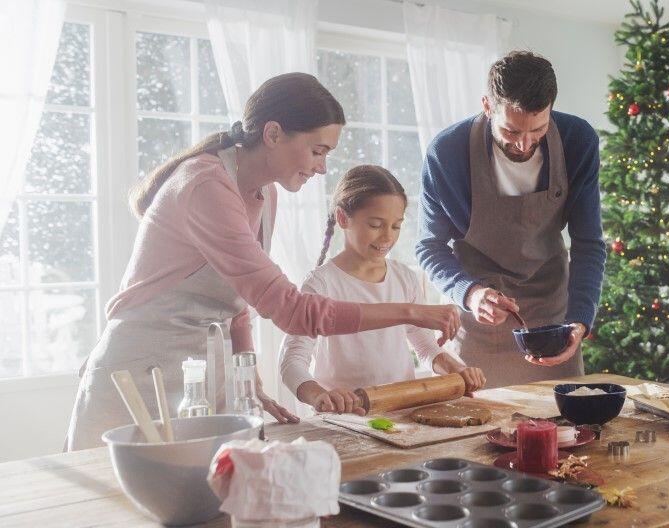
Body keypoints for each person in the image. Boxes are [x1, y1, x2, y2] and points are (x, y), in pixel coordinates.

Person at [66, 73, 459, 450]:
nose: (322, 167)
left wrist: (247, 376)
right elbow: (292, 311)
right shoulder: (205, 185)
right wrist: (412, 312)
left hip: (200, 376)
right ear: (272, 133)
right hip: (137, 373)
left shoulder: (264, 195)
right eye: (317, 150)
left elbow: (238, 303)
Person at [416, 51, 606, 388]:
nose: (524, 143)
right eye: (511, 130)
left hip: (552, 316)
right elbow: (429, 246)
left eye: (538, 129)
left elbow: (589, 244)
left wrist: (578, 321)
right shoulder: (447, 152)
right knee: (479, 430)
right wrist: (471, 293)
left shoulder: (578, 141)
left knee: (562, 426)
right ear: (487, 106)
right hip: (480, 318)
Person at [279, 164, 486, 415]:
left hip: (402, 414)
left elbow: (426, 348)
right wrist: (321, 396)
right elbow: (292, 362)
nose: (387, 237)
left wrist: (458, 370)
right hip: (345, 419)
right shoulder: (321, 283)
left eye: (396, 226)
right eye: (376, 225)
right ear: (343, 218)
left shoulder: (405, 278)